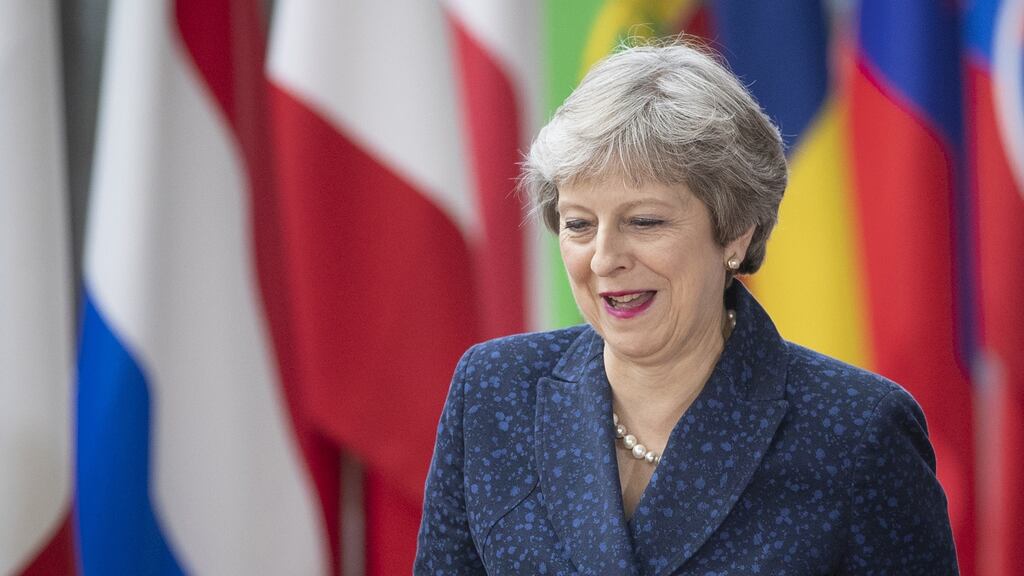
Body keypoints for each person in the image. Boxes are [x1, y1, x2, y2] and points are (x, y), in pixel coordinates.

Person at [414, 40, 958, 575]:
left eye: (644, 222)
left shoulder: (858, 431)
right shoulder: (492, 390)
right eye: (579, 224)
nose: (605, 259)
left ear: (735, 234)